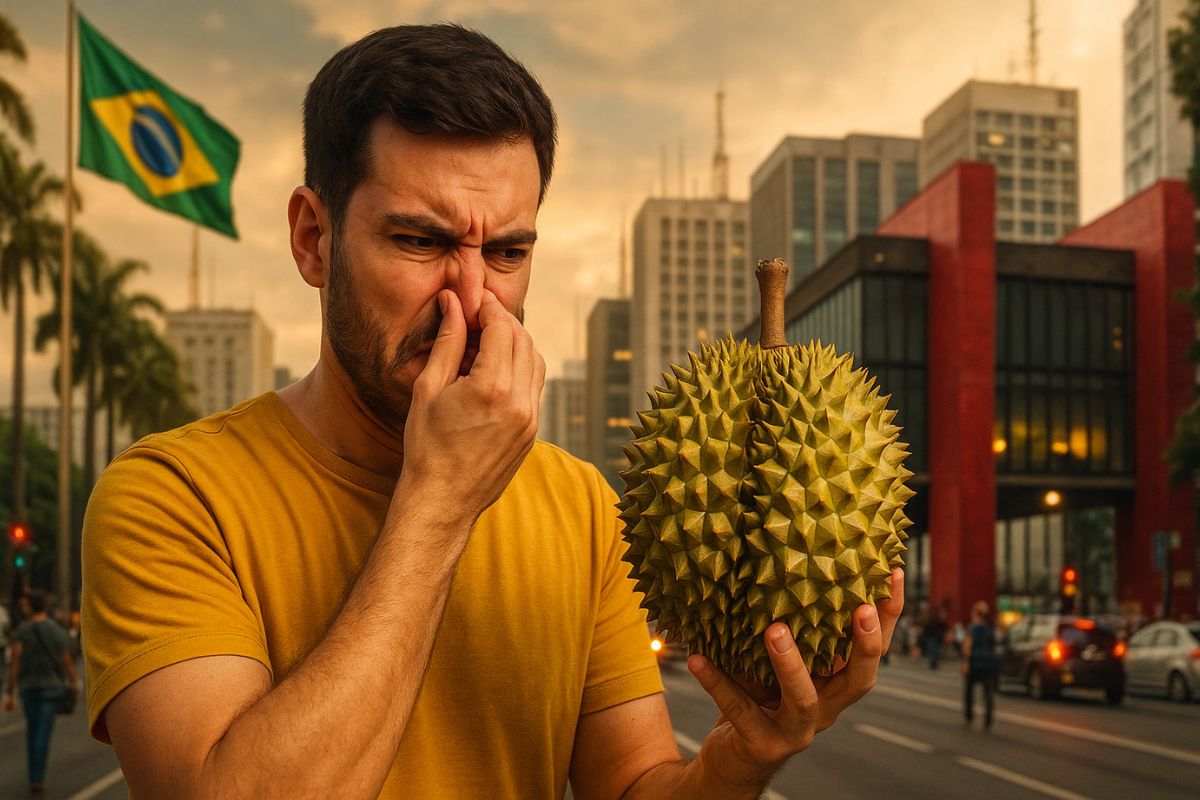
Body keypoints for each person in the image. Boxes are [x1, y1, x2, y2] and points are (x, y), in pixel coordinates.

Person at [81, 23, 904, 799]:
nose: (472, 298)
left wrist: (738, 760)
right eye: (420, 241)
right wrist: (440, 500)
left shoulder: (581, 506)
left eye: (508, 252)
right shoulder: (169, 496)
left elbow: (630, 784)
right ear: (312, 239)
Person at [3, 589, 79, 794]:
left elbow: (15, 664)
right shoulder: (56, 630)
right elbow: (66, 661)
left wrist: (9, 692)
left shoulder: (23, 631)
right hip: (51, 688)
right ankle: (37, 778)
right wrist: (73, 684)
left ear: (30, 606)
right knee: (42, 734)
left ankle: (34, 775)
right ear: (44, 606)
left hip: (29, 688)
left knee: (32, 731)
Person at [961, 601, 999, 730]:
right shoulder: (991, 628)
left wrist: (966, 662)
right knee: (988, 694)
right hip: (988, 664)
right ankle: (988, 720)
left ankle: (969, 715)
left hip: (975, 663)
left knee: (969, 692)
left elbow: (967, 646)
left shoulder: (973, 628)